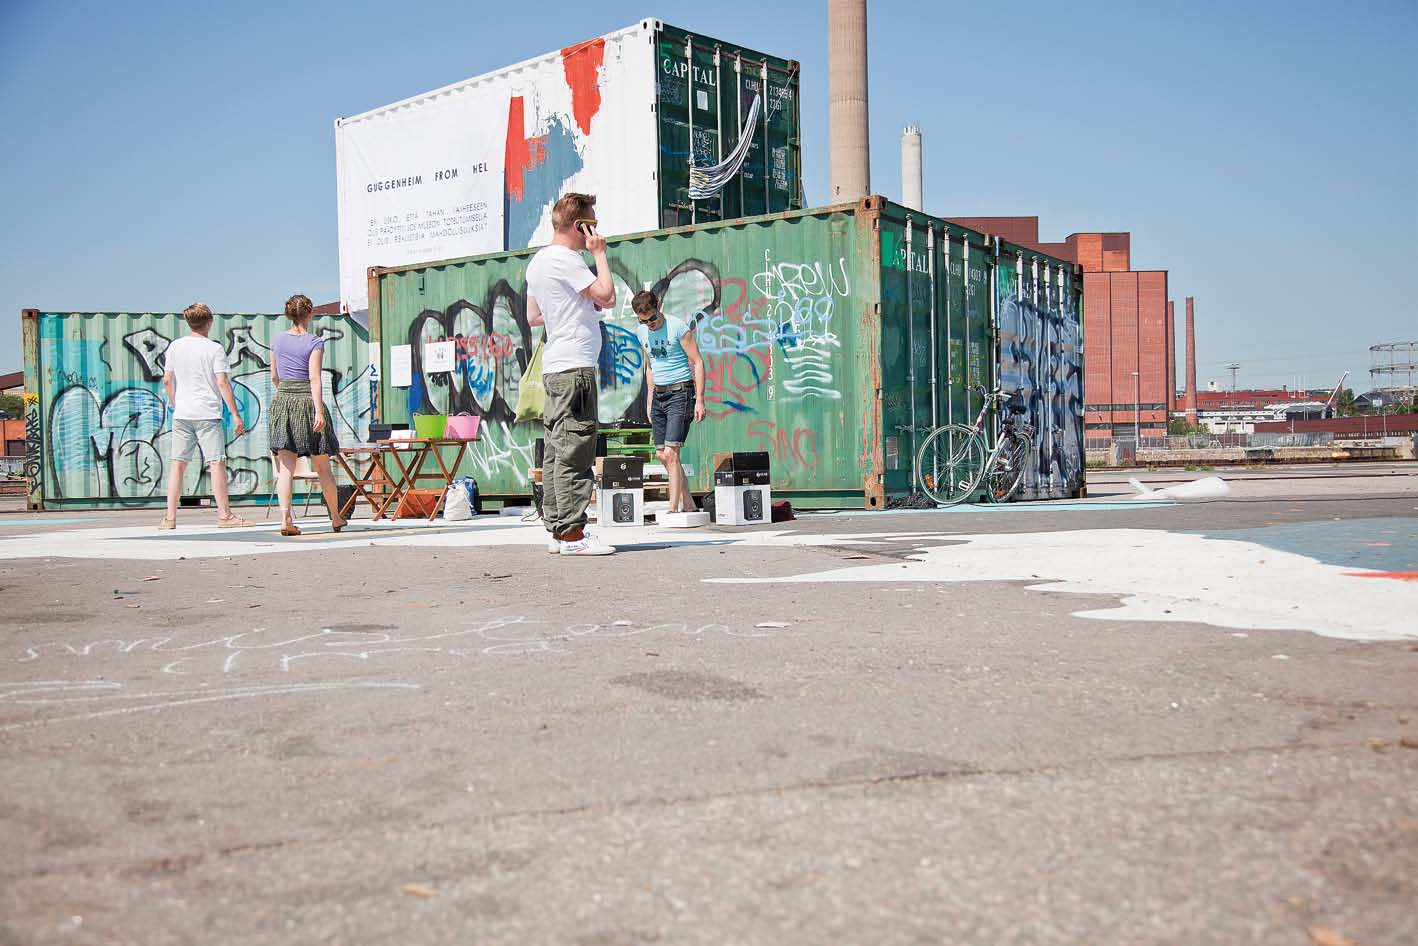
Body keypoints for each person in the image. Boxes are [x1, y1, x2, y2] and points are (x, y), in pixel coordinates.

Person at [525, 192, 617, 556]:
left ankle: (557, 529)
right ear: (581, 226)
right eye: (591, 223)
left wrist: (567, 307)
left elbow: (534, 316)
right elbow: (607, 296)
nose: (595, 230)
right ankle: (572, 535)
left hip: (554, 366)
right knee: (576, 450)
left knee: (555, 451)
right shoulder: (567, 259)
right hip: (575, 367)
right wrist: (599, 254)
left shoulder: (537, 263)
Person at [159, 303, 250, 530]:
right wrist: (236, 415)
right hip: (208, 413)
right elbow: (222, 383)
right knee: (216, 463)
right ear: (209, 322)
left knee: (177, 465)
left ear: (189, 322)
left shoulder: (175, 347)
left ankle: (169, 518)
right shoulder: (214, 349)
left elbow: (167, 380)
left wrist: (176, 404)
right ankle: (224, 516)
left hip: (182, 414)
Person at [268, 293, 346, 536]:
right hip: (307, 402)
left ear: (288, 314)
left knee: (286, 467)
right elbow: (314, 378)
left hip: (282, 400)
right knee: (323, 466)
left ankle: (285, 519)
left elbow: (274, 376)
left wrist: (284, 395)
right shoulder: (315, 342)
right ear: (310, 314)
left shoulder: (277, 340)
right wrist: (319, 411)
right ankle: (335, 517)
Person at [632, 290, 705, 513]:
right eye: (644, 321)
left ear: (658, 308)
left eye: (652, 318)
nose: (650, 324)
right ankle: (690, 504)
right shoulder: (641, 332)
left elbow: (698, 362)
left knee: (673, 454)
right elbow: (650, 366)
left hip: (680, 392)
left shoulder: (677, 328)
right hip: (659, 396)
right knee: (663, 455)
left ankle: (673, 508)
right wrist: (649, 399)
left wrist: (700, 399)